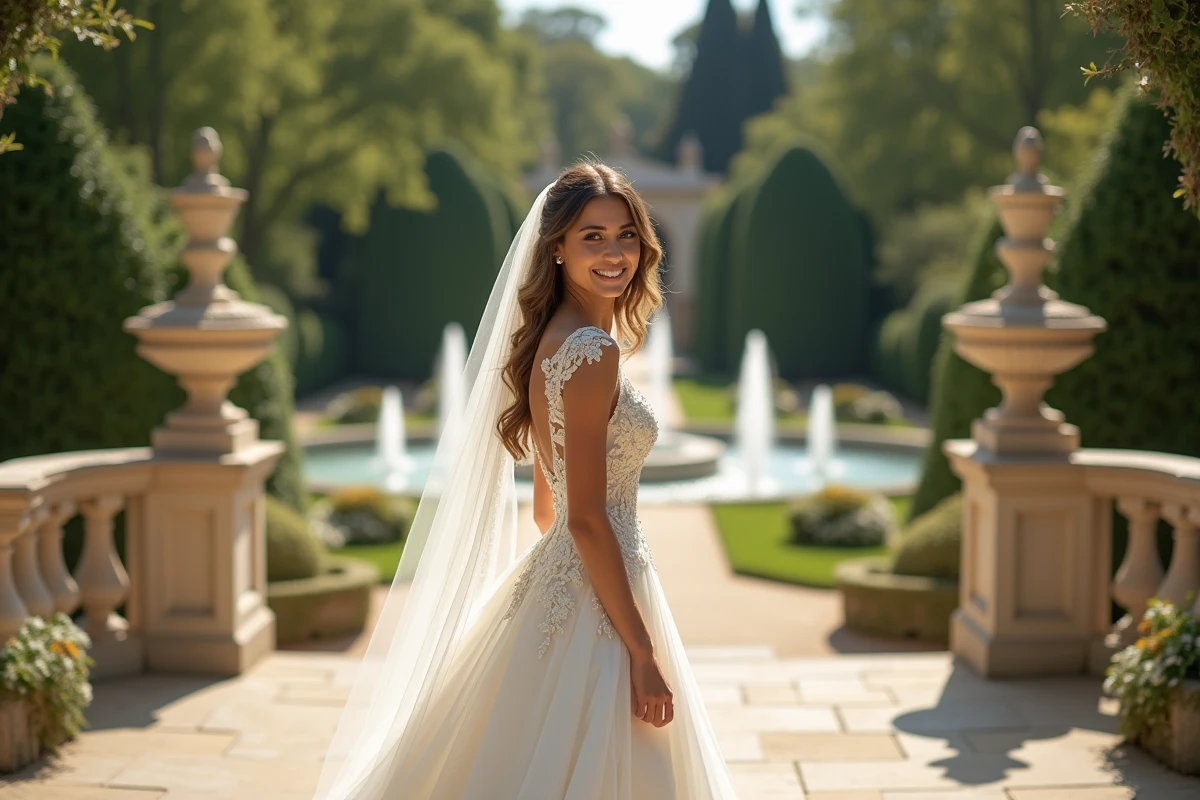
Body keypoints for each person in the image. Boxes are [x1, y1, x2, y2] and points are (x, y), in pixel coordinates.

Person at [314, 161, 740, 799]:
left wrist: (566, 582)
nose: (614, 252)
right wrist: (642, 653)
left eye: (626, 234)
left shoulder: (550, 340)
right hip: (603, 586)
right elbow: (584, 518)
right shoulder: (592, 352)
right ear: (557, 247)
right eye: (591, 236)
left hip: (569, 582)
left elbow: (549, 507)